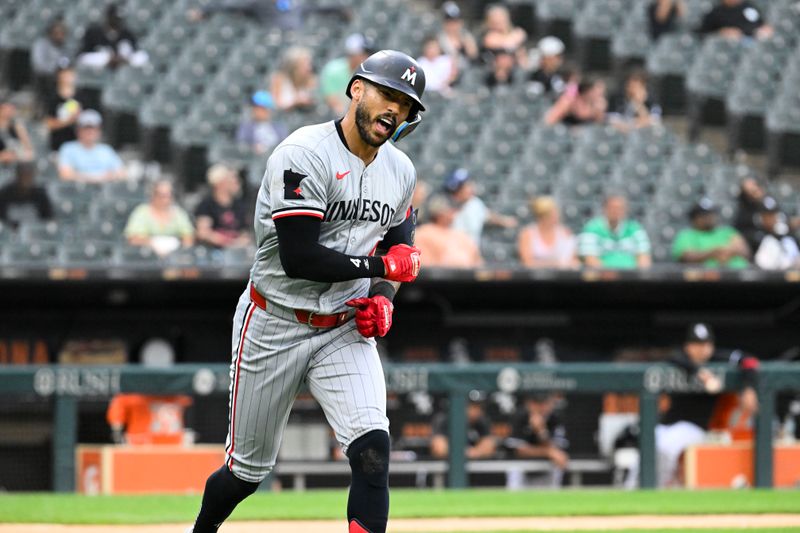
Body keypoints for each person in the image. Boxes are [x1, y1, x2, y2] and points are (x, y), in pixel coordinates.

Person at [188, 50, 426, 533]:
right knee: (244, 475)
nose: (394, 110)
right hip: (275, 319)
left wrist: (383, 295)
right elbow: (300, 258)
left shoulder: (399, 170)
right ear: (357, 88)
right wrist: (382, 266)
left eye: (405, 103)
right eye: (387, 94)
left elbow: (399, 240)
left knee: (374, 449)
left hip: (342, 325)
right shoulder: (304, 153)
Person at [656, 323, 759, 487]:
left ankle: (657, 488)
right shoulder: (680, 359)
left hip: (694, 427)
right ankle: (632, 490)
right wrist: (699, 372)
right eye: (696, 344)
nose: (702, 349)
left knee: (665, 448)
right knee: (646, 447)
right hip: (666, 424)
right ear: (687, 346)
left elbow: (750, 361)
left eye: (706, 344)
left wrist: (748, 387)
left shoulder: (718, 359)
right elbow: (672, 357)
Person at [505, 393, 569, 488]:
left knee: (559, 463)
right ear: (529, 404)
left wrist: (541, 432)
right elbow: (519, 451)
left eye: (545, 403)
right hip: (522, 467)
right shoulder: (519, 416)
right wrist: (548, 452)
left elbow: (557, 451)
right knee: (514, 468)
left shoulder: (555, 418)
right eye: (537, 403)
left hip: (547, 467)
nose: (541, 407)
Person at [445, 168, 517, 246]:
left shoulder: (475, 204)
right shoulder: (446, 207)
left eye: (468, 185)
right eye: (462, 187)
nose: (469, 189)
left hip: (470, 253)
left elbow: (488, 215)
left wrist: (504, 221)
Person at [672, 197, 750, 268]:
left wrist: (726, 252)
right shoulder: (686, 235)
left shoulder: (727, 232)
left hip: (737, 275)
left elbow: (745, 251)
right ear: (694, 218)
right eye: (704, 214)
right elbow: (686, 257)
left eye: (711, 213)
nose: (709, 217)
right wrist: (712, 253)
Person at [578, 195, 652, 269]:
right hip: (603, 275)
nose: (616, 211)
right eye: (612, 208)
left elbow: (644, 256)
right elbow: (590, 258)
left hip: (631, 275)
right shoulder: (592, 228)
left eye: (620, 208)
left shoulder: (635, 228)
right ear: (604, 209)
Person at [124, 179, 194, 256]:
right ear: (153, 195)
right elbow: (133, 238)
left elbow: (188, 236)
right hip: (146, 257)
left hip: (175, 257)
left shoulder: (178, 213)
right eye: (162, 196)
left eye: (168, 195)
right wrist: (154, 243)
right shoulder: (142, 212)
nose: (165, 200)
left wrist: (176, 248)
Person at [58, 110, 126, 183]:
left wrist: (79, 175)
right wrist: (100, 177)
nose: (90, 132)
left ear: (99, 131)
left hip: (104, 192)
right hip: (79, 192)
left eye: (93, 128)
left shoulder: (106, 150)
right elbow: (65, 175)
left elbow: (122, 174)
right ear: (78, 130)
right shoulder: (68, 148)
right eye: (86, 128)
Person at [415, 194, 483, 268]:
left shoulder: (461, 235)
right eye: (449, 210)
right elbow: (425, 267)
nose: (453, 214)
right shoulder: (423, 233)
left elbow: (478, 263)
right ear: (438, 213)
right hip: (439, 278)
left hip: (468, 277)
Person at [76, 3, 148, 71]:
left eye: (118, 19)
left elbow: (142, 56)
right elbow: (82, 57)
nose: (116, 21)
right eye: (114, 18)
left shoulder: (127, 34)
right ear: (107, 18)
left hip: (124, 76)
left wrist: (127, 59)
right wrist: (106, 58)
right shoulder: (93, 33)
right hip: (98, 75)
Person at [195, 164, 251, 249]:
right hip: (213, 254)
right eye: (233, 179)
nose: (237, 183)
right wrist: (227, 242)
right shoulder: (206, 205)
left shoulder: (239, 206)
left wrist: (237, 243)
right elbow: (203, 233)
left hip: (236, 254)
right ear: (221, 183)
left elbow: (245, 234)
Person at [430, 391, 497, 460]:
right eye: (472, 406)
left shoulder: (482, 421)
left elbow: (490, 446)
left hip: (476, 465)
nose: (476, 411)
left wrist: (473, 453)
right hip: (449, 465)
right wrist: (465, 453)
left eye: (479, 407)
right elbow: (439, 449)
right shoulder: (445, 419)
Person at [320, 33, 375, 117]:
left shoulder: (369, 73)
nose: (366, 57)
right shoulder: (333, 69)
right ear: (353, 54)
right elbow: (331, 99)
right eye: (363, 53)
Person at [518, 196, 577, 269]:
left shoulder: (565, 233)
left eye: (556, 213)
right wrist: (555, 264)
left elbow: (573, 261)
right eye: (551, 214)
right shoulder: (527, 234)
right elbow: (527, 263)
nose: (556, 216)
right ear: (542, 217)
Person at [31, 16, 71, 109]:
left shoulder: (66, 46)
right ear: (50, 33)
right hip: (44, 78)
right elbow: (39, 65)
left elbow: (69, 61)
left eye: (62, 33)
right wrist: (55, 69)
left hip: (62, 78)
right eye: (57, 33)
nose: (59, 36)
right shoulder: (41, 44)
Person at [0, 162, 53, 229]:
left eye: (28, 175)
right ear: (17, 176)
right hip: (10, 233)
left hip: (34, 234)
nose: (25, 179)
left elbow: (48, 219)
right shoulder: (5, 193)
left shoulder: (41, 195)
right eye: (23, 175)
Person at [752, 197, 800, 270]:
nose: (771, 218)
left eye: (773, 214)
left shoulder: (786, 234)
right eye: (767, 215)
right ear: (760, 217)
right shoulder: (755, 235)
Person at [269, 46, 318, 112]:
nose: (309, 68)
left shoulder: (311, 80)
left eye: (309, 64)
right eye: (304, 64)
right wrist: (295, 103)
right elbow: (274, 105)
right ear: (294, 66)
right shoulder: (279, 79)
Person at [45, 66, 82, 151]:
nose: (67, 77)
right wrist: (69, 120)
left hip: (78, 147)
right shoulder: (52, 98)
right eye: (64, 74)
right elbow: (49, 124)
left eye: (69, 73)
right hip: (58, 146)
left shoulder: (81, 96)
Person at [437, 2, 479, 73]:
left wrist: (465, 44)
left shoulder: (466, 36)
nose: (453, 24)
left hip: (466, 71)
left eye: (455, 21)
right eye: (449, 21)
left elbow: (473, 55)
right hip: (446, 72)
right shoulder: (440, 38)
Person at [699, 0, 773, 40]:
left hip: (750, 40)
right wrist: (721, 33)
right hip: (726, 45)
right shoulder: (716, 11)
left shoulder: (748, 7)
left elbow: (762, 25)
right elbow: (704, 32)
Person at [733, 177, 766, 250]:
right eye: (751, 190)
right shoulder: (743, 210)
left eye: (755, 186)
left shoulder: (768, 204)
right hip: (752, 246)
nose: (754, 191)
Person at [0, 96, 34, 164]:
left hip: (17, 165)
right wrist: (3, 156)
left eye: (11, 108)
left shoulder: (17, 127)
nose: (9, 111)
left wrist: (17, 155)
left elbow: (30, 151)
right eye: (7, 108)